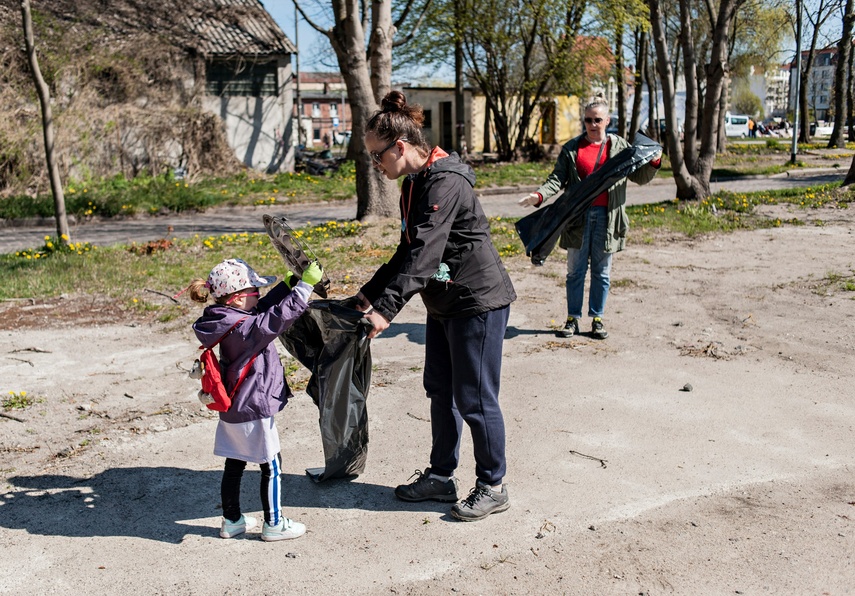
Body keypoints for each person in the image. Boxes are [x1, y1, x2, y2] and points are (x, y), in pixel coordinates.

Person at [357, 90, 517, 522]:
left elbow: (425, 255)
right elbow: (407, 250)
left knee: (476, 398)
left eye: (377, 156)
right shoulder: (415, 183)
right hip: (445, 304)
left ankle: (493, 485)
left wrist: (386, 311)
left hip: (476, 302)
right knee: (440, 392)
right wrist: (369, 292)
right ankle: (442, 477)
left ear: (401, 147)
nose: (375, 165)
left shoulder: (444, 182)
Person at [189, 257, 323, 540]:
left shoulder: (225, 319)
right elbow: (275, 319)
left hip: (234, 407)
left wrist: (286, 286)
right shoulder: (245, 328)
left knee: (235, 462)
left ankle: (232, 519)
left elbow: (261, 310)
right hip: (254, 405)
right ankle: (274, 523)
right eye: (254, 292)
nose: (258, 296)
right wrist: (304, 288)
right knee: (271, 465)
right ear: (237, 299)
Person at [519, 94, 661, 340]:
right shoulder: (572, 149)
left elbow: (639, 177)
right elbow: (556, 179)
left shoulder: (619, 148)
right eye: (587, 120)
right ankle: (572, 318)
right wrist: (538, 196)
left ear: (607, 120)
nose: (592, 125)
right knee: (575, 272)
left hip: (608, 218)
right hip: (576, 219)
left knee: (602, 272)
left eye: (597, 120)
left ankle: (597, 318)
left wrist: (654, 161)